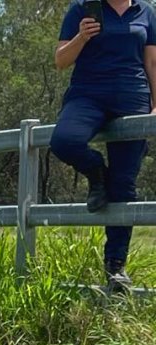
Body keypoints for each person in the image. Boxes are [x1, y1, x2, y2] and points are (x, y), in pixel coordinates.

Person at [49, 0, 156, 291]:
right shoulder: (82, 9)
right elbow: (60, 61)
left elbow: (152, 62)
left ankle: (116, 268)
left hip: (133, 96)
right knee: (64, 141)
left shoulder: (146, 12)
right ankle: (98, 174)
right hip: (88, 95)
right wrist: (81, 36)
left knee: (124, 186)